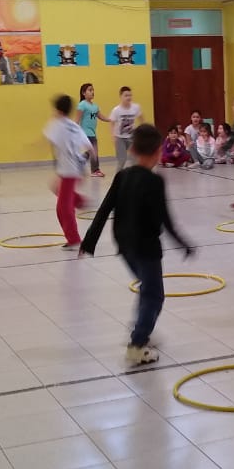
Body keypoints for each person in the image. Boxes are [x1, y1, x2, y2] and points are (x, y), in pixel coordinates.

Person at [80, 123, 194, 367]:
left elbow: (104, 208)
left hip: (125, 245)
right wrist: (183, 243)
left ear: (131, 149)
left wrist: (88, 241)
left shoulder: (122, 176)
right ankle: (137, 344)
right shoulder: (155, 182)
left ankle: (142, 328)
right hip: (147, 248)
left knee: (147, 288)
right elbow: (165, 219)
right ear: (158, 152)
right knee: (155, 296)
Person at [45, 93, 94, 249]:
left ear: (58, 110)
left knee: (63, 208)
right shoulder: (73, 125)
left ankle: (74, 239)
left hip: (69, 171)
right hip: (74, 167)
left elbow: (46, 140)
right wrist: (86, 168)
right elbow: (89, 147)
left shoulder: (57, 125)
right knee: (56, 189)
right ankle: (79, 200)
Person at [76, 83, 109, 177]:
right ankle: (95, 170)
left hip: (92, 132)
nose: (92, 92)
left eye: (93, 90)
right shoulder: (82, 105)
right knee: (94, 151)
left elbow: (101, 116)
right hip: (85, 132)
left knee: (92, 151)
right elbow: (77, 119)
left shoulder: (95, 106)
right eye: (90, 90)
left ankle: (80, 161)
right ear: (83, 93)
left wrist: (110, 119)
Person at [109, 86, 142, 170]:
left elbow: (141, 118)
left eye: (130, 95)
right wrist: (113, 136)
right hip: (120, 138)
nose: (128, 97)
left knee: (135, 160)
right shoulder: (116, 110)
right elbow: (112, 123)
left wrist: (142, 131)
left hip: (132, 137)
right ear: (121, 96)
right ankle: (118, 176)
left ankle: (136, 176)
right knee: (122, 160)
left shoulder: (135, 107)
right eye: (126, 95)